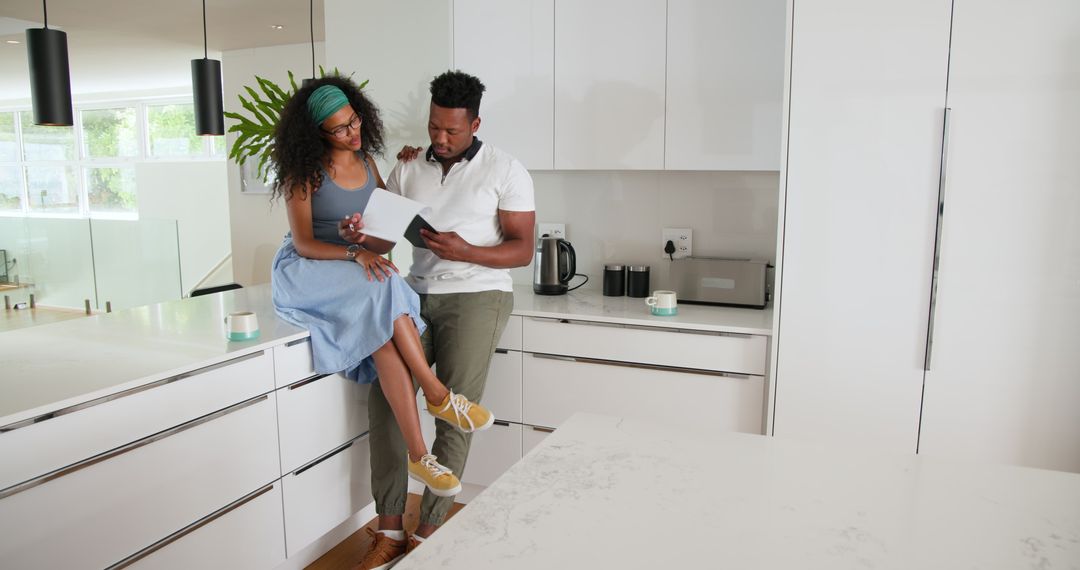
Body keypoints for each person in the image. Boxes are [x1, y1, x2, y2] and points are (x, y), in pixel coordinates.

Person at [268, 77, 497, 545]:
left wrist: (362, 236)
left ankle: (418, 454)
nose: (352, 133)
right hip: (309, 270)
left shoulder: (368, 162)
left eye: (354, 121)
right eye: (339, 129)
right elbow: (305, 243)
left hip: (353, 266)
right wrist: (354, 252)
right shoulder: (303, 172)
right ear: (317, 133)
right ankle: (436, 393)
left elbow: (383, 235)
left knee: (384, 334)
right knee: (387, 284)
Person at [340, 70, 535, 566]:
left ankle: (428, 531)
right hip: (415, 294)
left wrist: (466, 250)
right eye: (434, 127)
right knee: (387, 402)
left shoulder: (506, 169)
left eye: (452, 130)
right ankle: (390, 528)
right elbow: (383, 240)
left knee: (455, 411)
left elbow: (522, 250)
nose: (440, 138)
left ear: (475, 124)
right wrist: (359, 236)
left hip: (478, 295)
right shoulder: (409, 168)